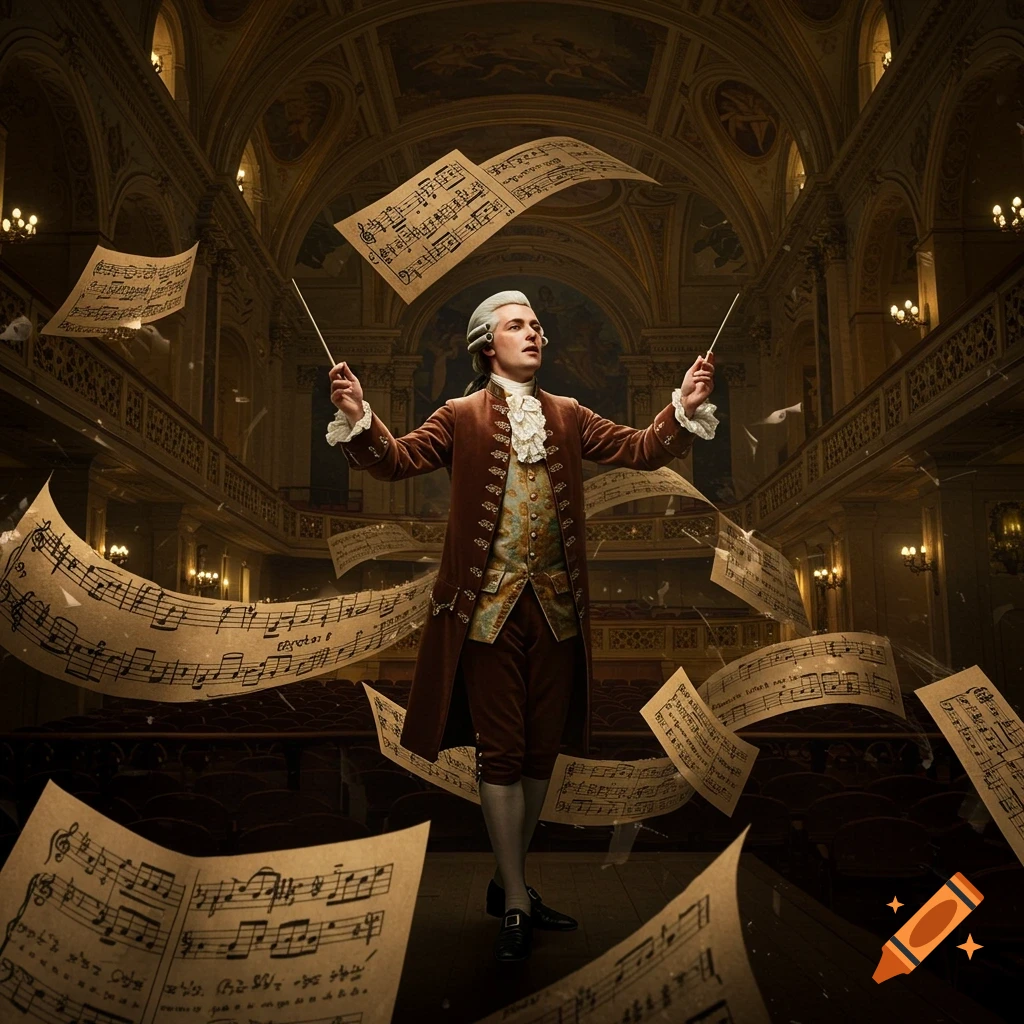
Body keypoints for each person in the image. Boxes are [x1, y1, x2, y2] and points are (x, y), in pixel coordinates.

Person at [326, 289, 716, 962]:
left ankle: (509, 880)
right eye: (517, 325)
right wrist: (363, 420)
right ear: (487, 345)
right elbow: (396, 461)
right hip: (484, 614)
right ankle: (514, 898)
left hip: (559, 612)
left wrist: (682, 404)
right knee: (501, 753)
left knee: (541, 756)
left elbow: (645, 449)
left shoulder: (568, 414)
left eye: (537, 324)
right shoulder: (459, 415)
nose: (533, 333)